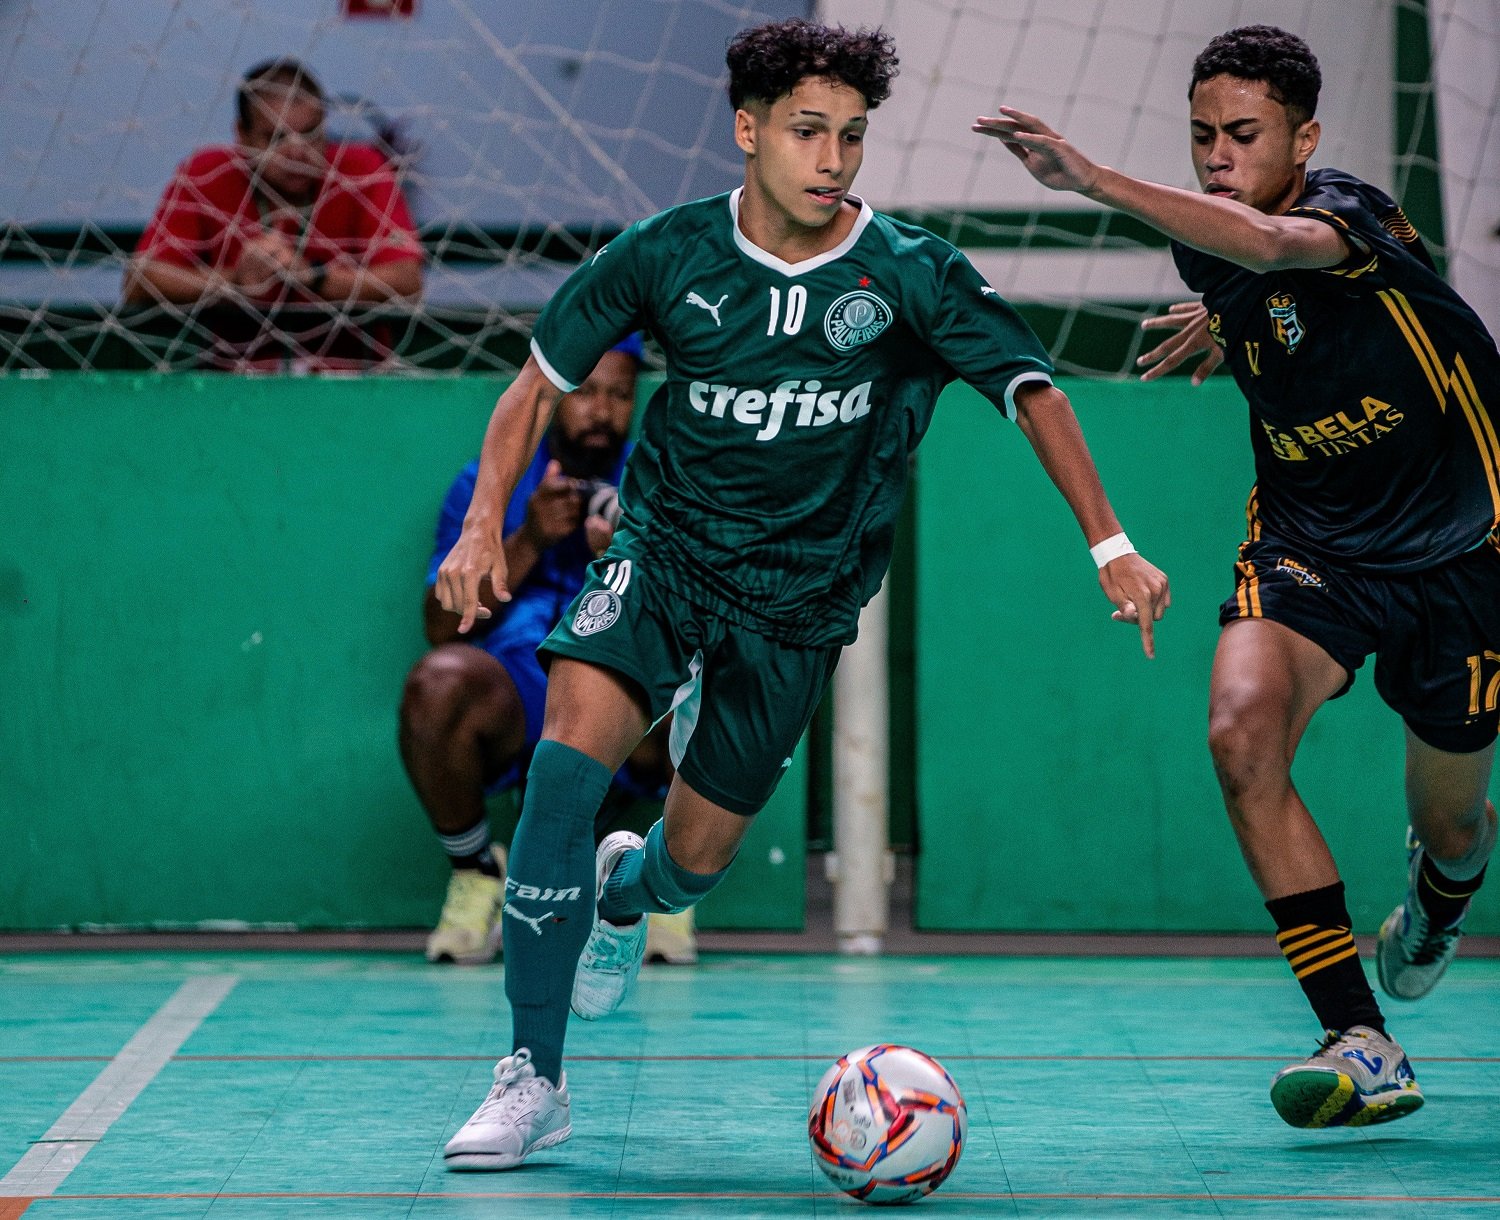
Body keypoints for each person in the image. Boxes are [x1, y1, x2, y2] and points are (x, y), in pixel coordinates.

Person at [437, 18, 1169, 1172]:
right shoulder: (667, 251)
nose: (833, 158)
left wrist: (1110, 543)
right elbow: (537, 385)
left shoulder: (912, 272)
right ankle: (534, 1075)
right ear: (748, 129)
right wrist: (485, 521)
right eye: (808, 131)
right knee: (561, 774)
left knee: (694, 861)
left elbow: (1034, 390)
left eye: (853, 136)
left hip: (800, 602)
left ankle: (626, 890)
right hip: (663, 555)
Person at [975, 24, 1498, 1130]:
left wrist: (1092, 178)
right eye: (1202, 134)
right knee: (1238, 731)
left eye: (1245, 135)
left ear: (1304, 140)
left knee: (1454, 825)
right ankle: (1359, 1036)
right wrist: (1231, 319)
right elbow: (1254, 269)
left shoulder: (1350, 214)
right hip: (1315, 542)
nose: (1218, 155)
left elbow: (1277, 246)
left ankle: (1441, 897)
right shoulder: (1212, 252)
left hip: (1463, 548)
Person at [400, 337, 677, 965]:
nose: (602, 411)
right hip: (520, 689)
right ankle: (477, 873)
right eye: (587, 392)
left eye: (620, 394)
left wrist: (625, 560)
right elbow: (440, 625)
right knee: (438, 683)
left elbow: (697, 622)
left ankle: (663, 885)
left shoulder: (659, 481)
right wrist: (528, 539)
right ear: (555, 395)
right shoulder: (490, 484)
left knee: (703, 685)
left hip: (623, 691)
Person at [123, 57, 424, 370]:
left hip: (351, 377)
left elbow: (408, 282)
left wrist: (313, 276)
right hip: (235, 380)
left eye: (310, 133)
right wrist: (236, 281)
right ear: (242, 135)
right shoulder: (206, 172)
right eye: (276, 137)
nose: (296, 153)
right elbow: (140, 281)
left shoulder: (362, 169)